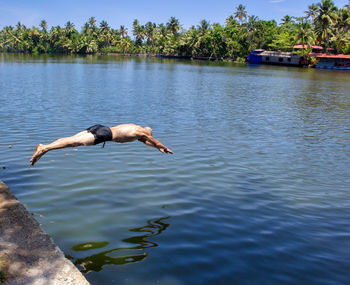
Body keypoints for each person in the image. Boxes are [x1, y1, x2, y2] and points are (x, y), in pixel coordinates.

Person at [30, 123, 174, 166]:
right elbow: (152, 140)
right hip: (105, 135)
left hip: (99, 127)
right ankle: (45, 148)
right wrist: (162, 147)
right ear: (147, 133)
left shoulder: (135, 128)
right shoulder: (140, 132)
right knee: (74, 142)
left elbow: (147, 141)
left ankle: (45, 146)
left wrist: (156, 147)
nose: (144, 140)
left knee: (72, 140)